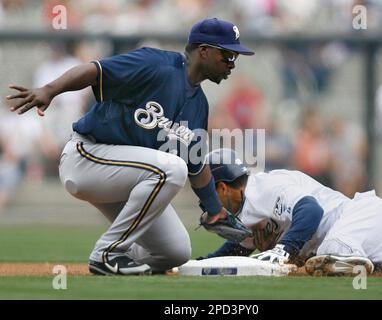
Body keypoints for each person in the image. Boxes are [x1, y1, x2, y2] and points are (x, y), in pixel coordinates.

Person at [6, 18, 255, 276]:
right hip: (87, 157)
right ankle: (107, 254)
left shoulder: (199, 105)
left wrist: (214, 211)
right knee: (172, 169)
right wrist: (50, 90)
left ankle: (127, 258)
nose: (232, 65)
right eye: (228, 55)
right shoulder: (156, 64)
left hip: (128, 180)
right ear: (204, 50)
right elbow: (95, 70)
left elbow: (196, 164)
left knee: (175, 252)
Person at [199, 148, 382, 276]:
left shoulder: (265, 188)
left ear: (222, 187)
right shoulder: (245, 212)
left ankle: (351, 266)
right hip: (366, 234)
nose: (204, 200)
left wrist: (284, 250)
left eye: (207, 192)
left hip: (361, 217)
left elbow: (311, 210)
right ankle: (359, 266)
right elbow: (237, 250)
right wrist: (198, 265)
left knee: (333, 249)